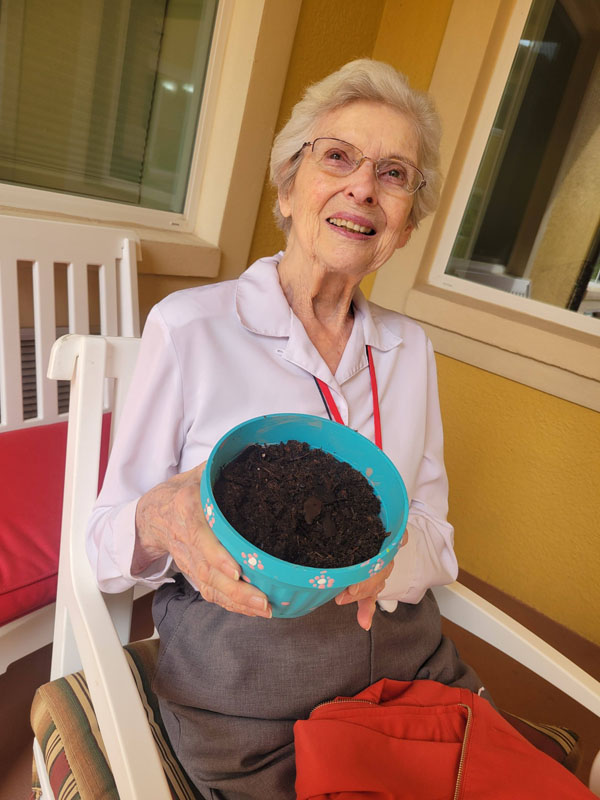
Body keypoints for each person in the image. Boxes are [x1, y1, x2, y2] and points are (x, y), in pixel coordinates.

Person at [87, 59, 487, 798]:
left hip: (406, 677)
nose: (363, 187)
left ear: (405, 224)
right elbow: (101, 548)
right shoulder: (191, 328)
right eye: (337, 156)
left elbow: (435, 532)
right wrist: (160, 517)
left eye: (394, 174)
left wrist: (387, 561)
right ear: (287, 187)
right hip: (252, 697)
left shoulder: (410, 349)